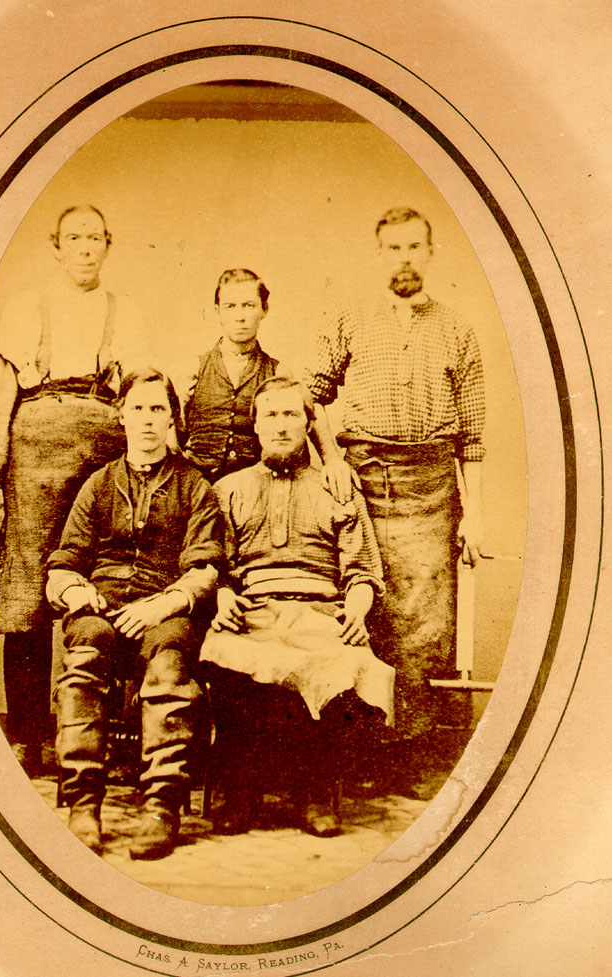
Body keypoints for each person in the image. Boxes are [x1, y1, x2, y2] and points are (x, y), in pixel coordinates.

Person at [303, 206, 485, 779]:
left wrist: (474, 513)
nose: (404, 258)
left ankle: (406, 754)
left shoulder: (457, 329)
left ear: (430, 252)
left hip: (431, 492)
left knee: (425, 625)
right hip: (363, 482)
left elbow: (473, 437)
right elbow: (311, 395)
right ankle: (354, 752)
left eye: (414, 247)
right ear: (379, 254)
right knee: (362, 608)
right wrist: (333, 460)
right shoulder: (350, 319)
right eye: (394, 248)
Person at [0, 204, 142, 776]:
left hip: (104, 454)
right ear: (57, 246)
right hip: (35, 458)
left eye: (95, 237)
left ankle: (95, 737)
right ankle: (27, 737)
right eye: (75, 238)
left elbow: (142, 391)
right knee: (27, 594)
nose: (85, 248)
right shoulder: (28, 306)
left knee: (107, 580)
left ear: (107, 244)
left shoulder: (124, 310)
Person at [200, 377, 394, 837]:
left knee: (342, 661)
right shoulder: (228, 489)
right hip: (253, 611)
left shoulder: (336, 487)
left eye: (291, 414)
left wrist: (356, 610)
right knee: (226, 655)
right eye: (271, 415)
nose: (281, 425)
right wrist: (223, 595)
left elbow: (362, 569)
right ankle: (238, 791)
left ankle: (316, 790)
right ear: (255, 425)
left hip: (320, 611)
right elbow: (215, 564)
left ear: (309, 424)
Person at [45, 368, 224, 860]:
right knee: (85, 651)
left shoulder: (195, 486)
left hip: (164, 611)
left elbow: (205, 569)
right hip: (101, 609)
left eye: (157, 409)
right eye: (138, 408)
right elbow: (63, 562)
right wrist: (77, 591)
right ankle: (83, 804)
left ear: (172, 419)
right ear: (121, 417)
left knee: (169, 657)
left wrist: (162, 605)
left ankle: (160, 808)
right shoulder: (97, 485)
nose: (147, 420)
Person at [180, 268, 289, 482]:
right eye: (230, 306)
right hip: (197, 485)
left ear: (264, 310)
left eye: (249, 305)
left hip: (256, 486)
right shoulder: (194, 369)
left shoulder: (277, 372)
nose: (240, 317)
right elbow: (173, 434)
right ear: (217, 311)